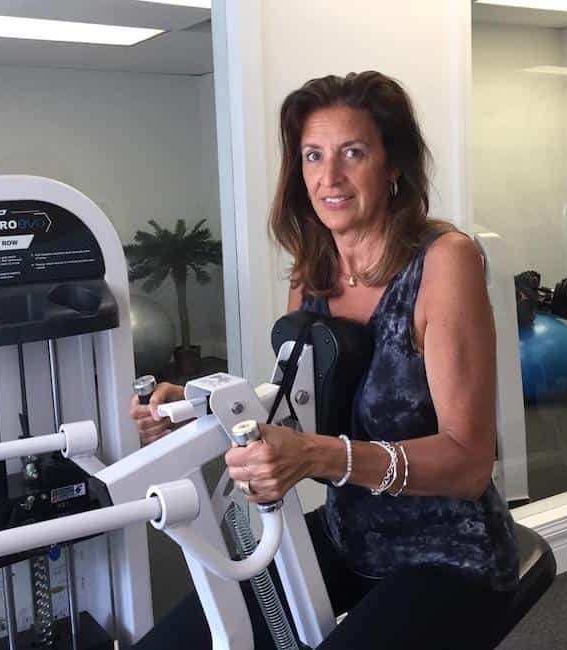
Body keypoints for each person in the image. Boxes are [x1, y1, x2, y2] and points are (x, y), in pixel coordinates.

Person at [129, 71, 519, 649]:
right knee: (183, 641)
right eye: (313, 156)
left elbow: (468, 464)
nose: (329, 177)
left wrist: (315, 455)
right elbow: (301, 411)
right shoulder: (312, 272)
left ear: (393, 168)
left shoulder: (444, 262)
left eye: (352, 153)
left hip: (449, 551)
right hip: (345, 535)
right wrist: (193, 410)